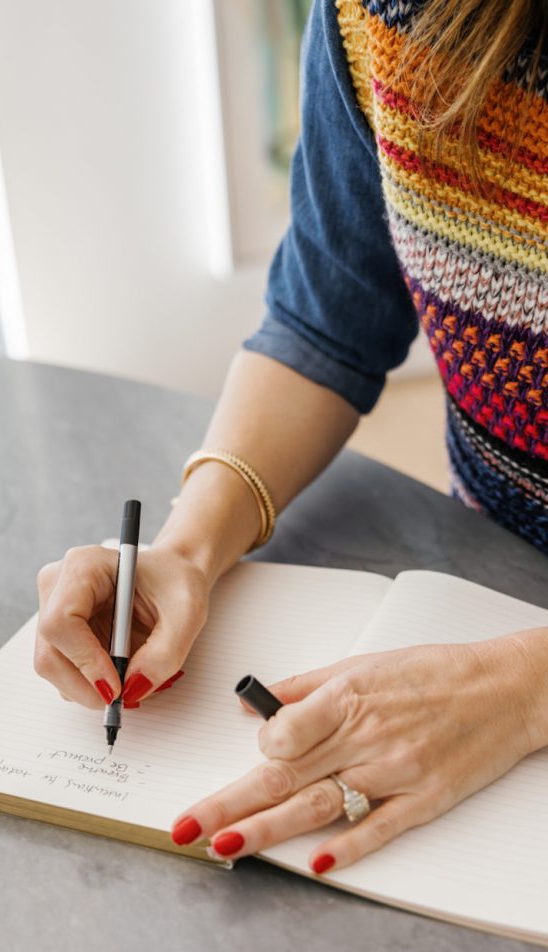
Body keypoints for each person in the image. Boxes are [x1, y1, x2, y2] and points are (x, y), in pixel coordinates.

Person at [35, 0, 548, 875]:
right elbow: (327, 318)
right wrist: (188, 549)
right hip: (489, 559)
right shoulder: (381, 14)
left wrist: (522, 689)